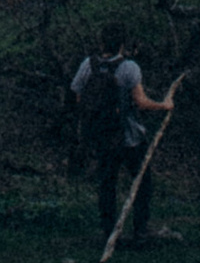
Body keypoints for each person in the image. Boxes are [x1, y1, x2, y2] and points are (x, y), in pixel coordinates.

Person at [71, 50, 178, 247]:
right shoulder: (129, 67)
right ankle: (140, 230)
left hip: (103, 137)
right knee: (142, 183)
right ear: (121, 44)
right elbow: (141, 101)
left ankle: (108, 231)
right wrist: (164, 106)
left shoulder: (88, 64)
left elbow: (78, 96)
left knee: (106, 184)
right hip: (130, 137)